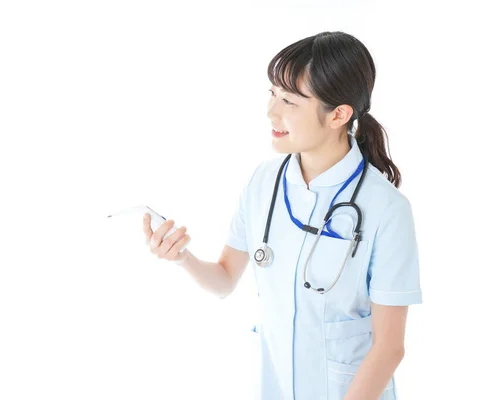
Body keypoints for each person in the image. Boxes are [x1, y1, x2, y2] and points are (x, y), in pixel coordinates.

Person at [142, 31, 422, 400]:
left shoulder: (386, 208)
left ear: (338, 114)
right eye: (272, 94)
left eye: (290, 101)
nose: (271, 112)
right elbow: (225, 280)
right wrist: (183, 258)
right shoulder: (263, 182)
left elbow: (389, 348)